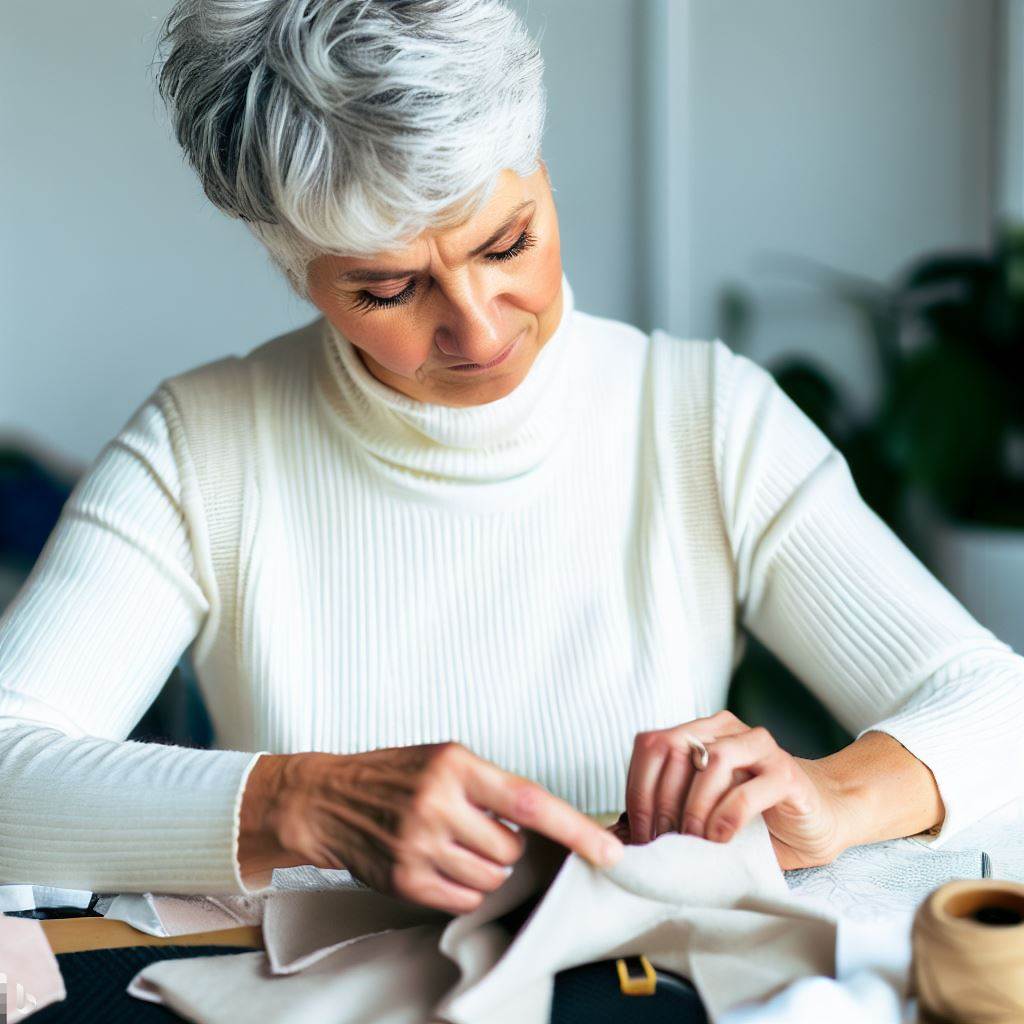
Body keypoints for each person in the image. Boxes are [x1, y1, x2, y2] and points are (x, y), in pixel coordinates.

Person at [2, 0, 1023, 924]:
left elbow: (996, 703)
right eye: (390, 291)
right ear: (299, 275)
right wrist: (303, 800)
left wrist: (831, 796)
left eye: (508, 242)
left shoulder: (703, 417)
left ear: (541, 175)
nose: (479, 329)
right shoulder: (201, 447)